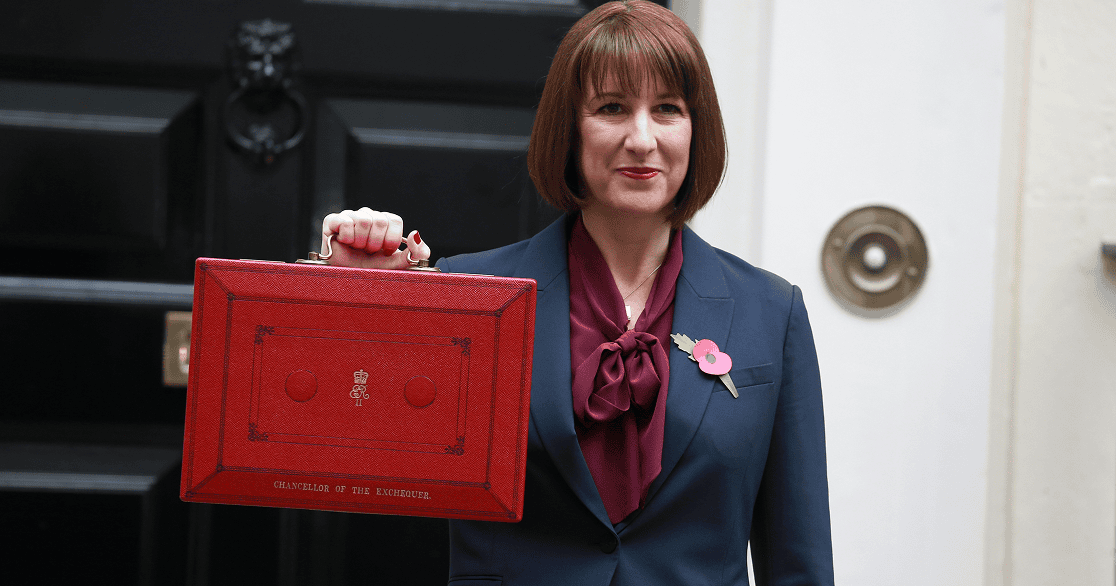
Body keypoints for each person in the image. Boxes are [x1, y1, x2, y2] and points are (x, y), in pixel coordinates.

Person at [320, 2, 833, 584]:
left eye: (667, 109)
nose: (642, 139)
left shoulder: (772, 312)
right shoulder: (472, 296)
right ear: (570, 129)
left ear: (697, 129)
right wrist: (351, 294)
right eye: (612, 108)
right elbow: (335, 444)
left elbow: (799, 560)